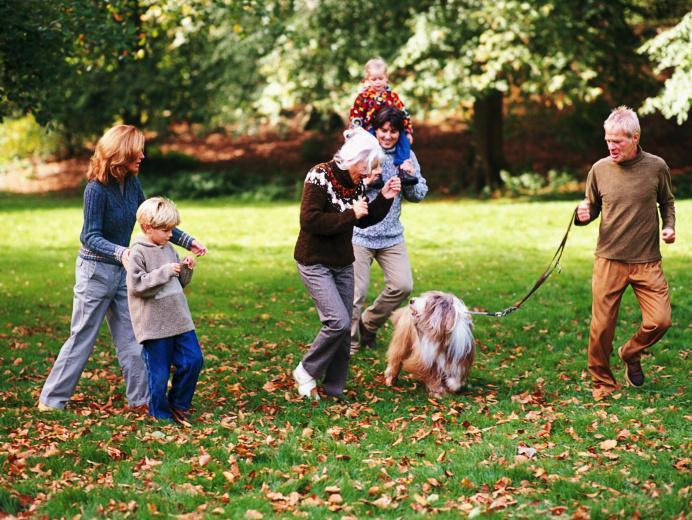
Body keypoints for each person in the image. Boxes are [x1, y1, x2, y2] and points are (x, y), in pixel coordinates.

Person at [38, 125, 207, 412]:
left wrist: (188, 241)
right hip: (95, 272)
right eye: (137, 150)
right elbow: (89, 236)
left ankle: (141, 400)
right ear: (121, 153)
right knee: (82, 337)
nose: (142, 155)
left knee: (134, 337)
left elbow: (151, 219)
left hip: (124, 271)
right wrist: (121, 251)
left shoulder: (131, 183)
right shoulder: (96, 189)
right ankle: (52, 401)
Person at [293, 127, 402, 400]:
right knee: (338, 322)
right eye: (368, 167)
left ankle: (333, 389)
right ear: (356, 158)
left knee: (346, 326)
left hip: (342, 261)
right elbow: (310, 220)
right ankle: (306, 370)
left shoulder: (356, 182)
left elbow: (362, 218)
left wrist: (385, 199)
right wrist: (349, 213)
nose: (369, 174)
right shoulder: (319, 175)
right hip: (314, 260)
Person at [575, 106, 676, 401]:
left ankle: (631, 352)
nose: (611, 146)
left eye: (617, 141)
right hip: (609, 259)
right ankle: (603, 383)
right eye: (608, 140)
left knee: (661, 320)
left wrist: (669, 226)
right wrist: (582, 214)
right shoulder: (599, 169)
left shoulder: (657, 167)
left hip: (647, 261)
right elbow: (591, 207)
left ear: (635, 138)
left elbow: (667, 202)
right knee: (602, 326)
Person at [351, 107, 428, 354]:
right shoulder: (363, 151)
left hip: (391, 236)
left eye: (393, 131)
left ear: (400, 133)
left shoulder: (406, 155)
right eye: (383, 130)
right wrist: (366, 183)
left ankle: (368, 324)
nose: (387, 136)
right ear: (376, 129)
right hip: (360, 234)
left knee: (403, 285)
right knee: (356, 293)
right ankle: (349, 345)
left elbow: (418, 195)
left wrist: (410, 176)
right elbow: (345, 191)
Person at [127, 197, 203, 425]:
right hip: (154, 325)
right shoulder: (138, 252)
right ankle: (160, 414)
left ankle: (179, 404)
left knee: (193, 361)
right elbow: (138, 286)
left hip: (179, 319)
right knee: (159, 375)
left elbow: (178, 282)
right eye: (166, 230)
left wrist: (186, 270)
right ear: (147, 228)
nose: (171, 235)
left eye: (172, 229)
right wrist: (165, 271)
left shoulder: (169, 248)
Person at [349, 57, 418, 187]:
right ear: (367, 80)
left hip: (393, 124)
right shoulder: (363, 97)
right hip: (371, 127)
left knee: (404, 141)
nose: (377, 82)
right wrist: (355, 130)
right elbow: (356, 114)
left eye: (380, 78)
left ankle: (404, 169)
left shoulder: (392, 96)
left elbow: (403, 113)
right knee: (371, 145)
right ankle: (376, 172)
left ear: (386, 78)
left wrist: (408, 130)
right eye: (373, 79)